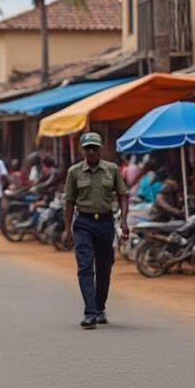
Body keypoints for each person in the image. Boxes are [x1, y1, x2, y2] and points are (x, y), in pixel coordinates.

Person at [63, 133, 130, 329]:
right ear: (82, 150)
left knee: (104, 267)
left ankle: (100, 308)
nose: (91, 151)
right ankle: (90, 312)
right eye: (88, 148)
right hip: (83, 222)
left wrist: (124, 221)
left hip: (105, 223)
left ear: (101, 149)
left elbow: (123, 195)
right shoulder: (74, 172)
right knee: (85, 267)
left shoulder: (112, 169)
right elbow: (69, 202)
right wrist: (67, 230)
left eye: (95, 148)